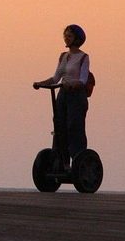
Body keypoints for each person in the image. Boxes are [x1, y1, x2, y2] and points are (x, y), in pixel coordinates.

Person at [33, 24, 90, 170]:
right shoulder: (63, 56)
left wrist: (72, 85)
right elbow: (55, 78)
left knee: (73, 126)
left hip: (76, 96)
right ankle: (62, 162)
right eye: (65, 35)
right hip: (63, 94)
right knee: (59, 127)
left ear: (77, 38)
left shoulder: (83, 57)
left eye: (69, 36)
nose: (66, 38)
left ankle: (77, 160)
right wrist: (40, 83)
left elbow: (83, 80)